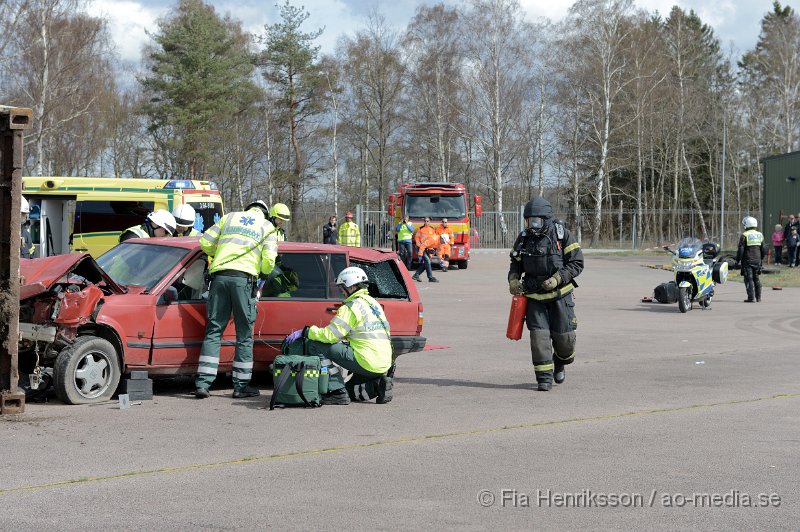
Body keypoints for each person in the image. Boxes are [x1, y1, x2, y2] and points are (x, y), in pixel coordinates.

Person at [194, 200, 283, 399]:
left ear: (248, 209)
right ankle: (240, 386)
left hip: (219, 277)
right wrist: (263, 274)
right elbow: (269, 260)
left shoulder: (230, 217)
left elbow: (205, 242)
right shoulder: (267, 227)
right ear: (265, 213)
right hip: (243, 281)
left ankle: (202, 384)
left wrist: (219, 255)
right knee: (244, 333)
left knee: (214, 330)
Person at [283, 266, 393, 405]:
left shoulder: (351, 307)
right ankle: (378, 385)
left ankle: (336, 391)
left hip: (366, 361)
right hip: (382, 362)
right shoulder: (372, 303)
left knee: (315, 345)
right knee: (350, 390)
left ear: (351, 287)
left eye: (342, 288)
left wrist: (306, 331)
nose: (342, 292)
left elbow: (330, 336)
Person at [508, 197, 584, 392]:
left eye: (537, 220)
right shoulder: (524, 238)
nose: (532, 224)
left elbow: (576, 263)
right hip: (535, 298)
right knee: (539, 339)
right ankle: (544, 378)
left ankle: (560, 362)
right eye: (529, 220)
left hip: (560, 297)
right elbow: (515, 263)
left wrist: (558, 278)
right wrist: (513, 279)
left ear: (546, 219)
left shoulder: (562, 235)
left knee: (565, 342)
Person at [735, 216, 767, 303]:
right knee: (756, 278)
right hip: (757, 261)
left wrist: (737, 260)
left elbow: (741, 250)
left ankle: (751, 298)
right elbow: (764, 249)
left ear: (747, 225)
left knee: (748, 279)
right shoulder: (760, 235)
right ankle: (758, 298)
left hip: (747, 261)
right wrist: (761, 259)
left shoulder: (744, 235)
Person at [412, 218, 439, 283]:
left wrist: (431, 249)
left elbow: (433, 240)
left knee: (426, 263)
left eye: (428, 221)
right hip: (421, 247)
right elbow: (417, 238)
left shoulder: (432, 229)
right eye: (425, 221)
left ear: (430, 222)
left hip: (428, 248)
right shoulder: (420, 229)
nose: (426, 222)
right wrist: (419, 246)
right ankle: (430, 277)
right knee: (428, 262)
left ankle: (416, 274)